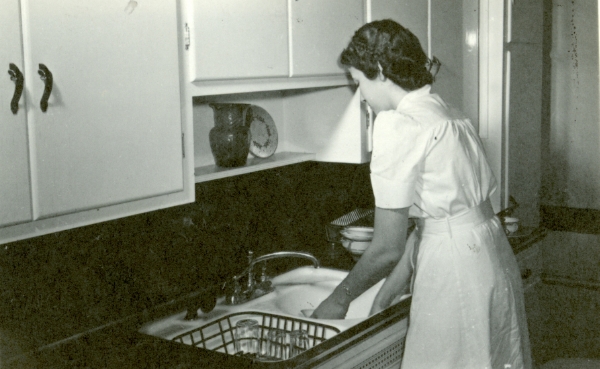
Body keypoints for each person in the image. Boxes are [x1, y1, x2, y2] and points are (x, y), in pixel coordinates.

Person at [311, 19, 532, 369]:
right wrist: (384, 297)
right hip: (490, 256)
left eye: (359, 83)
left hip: (454, 268)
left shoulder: (397, 123)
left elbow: (387, 247)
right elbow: (432, 225)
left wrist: (340, 299)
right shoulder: (447, 113)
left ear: (380, 71)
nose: (362, 99)